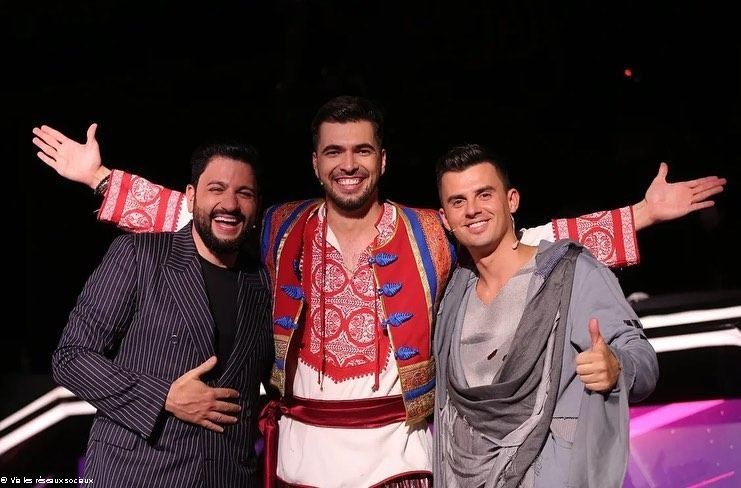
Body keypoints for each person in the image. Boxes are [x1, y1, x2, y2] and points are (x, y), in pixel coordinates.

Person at [33, 96, 724, 487]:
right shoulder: (280, 225)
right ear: (316, 163)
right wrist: (101, 179)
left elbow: (520, 237)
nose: (348, 164)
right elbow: (205, 214)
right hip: (300, 458)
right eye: (334, 152)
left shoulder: (430, 230)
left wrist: (638, 216)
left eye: (361, 150)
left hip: (401, 458)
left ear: (381, 159)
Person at [433, 144, 660, 488]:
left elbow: (643, 361)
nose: (472, 210)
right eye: (458, 201)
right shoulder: (451, 296)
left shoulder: (571, 273)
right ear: (446, 218)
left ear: (511, 200)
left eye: (484, 194)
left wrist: (617, 367)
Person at [50, 142, 274, 488]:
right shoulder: (138, 256)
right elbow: (70, 358)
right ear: (191, 196)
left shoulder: (264, 281)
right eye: (216, 189)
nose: (230, 204)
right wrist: (164, 397)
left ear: (257, 204)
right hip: (135, 475)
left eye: (244, 193)